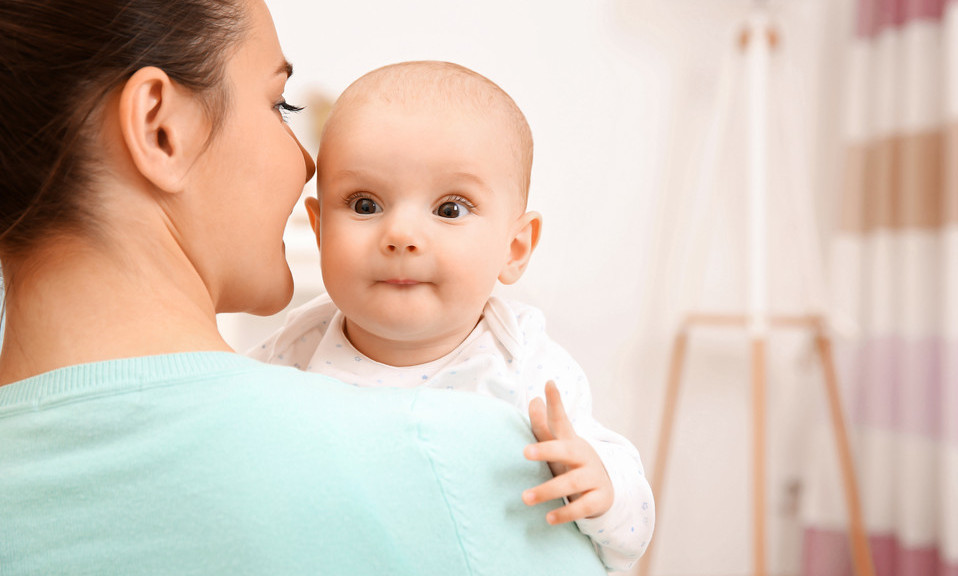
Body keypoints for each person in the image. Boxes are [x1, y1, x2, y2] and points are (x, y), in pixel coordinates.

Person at [0, 1, 608, 574]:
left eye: (450, 208)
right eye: (279, 104)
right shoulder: (468, 460)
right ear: (161, 128)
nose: (307, 164)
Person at [249, 61, 654, 571]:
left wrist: (602, 487)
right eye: (365, 203)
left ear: (515, 247)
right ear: (320, 227)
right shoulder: (295, 348)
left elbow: (633, 528)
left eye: (450, 209)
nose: (400, 234)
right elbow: (227, 434)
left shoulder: (523, 362)